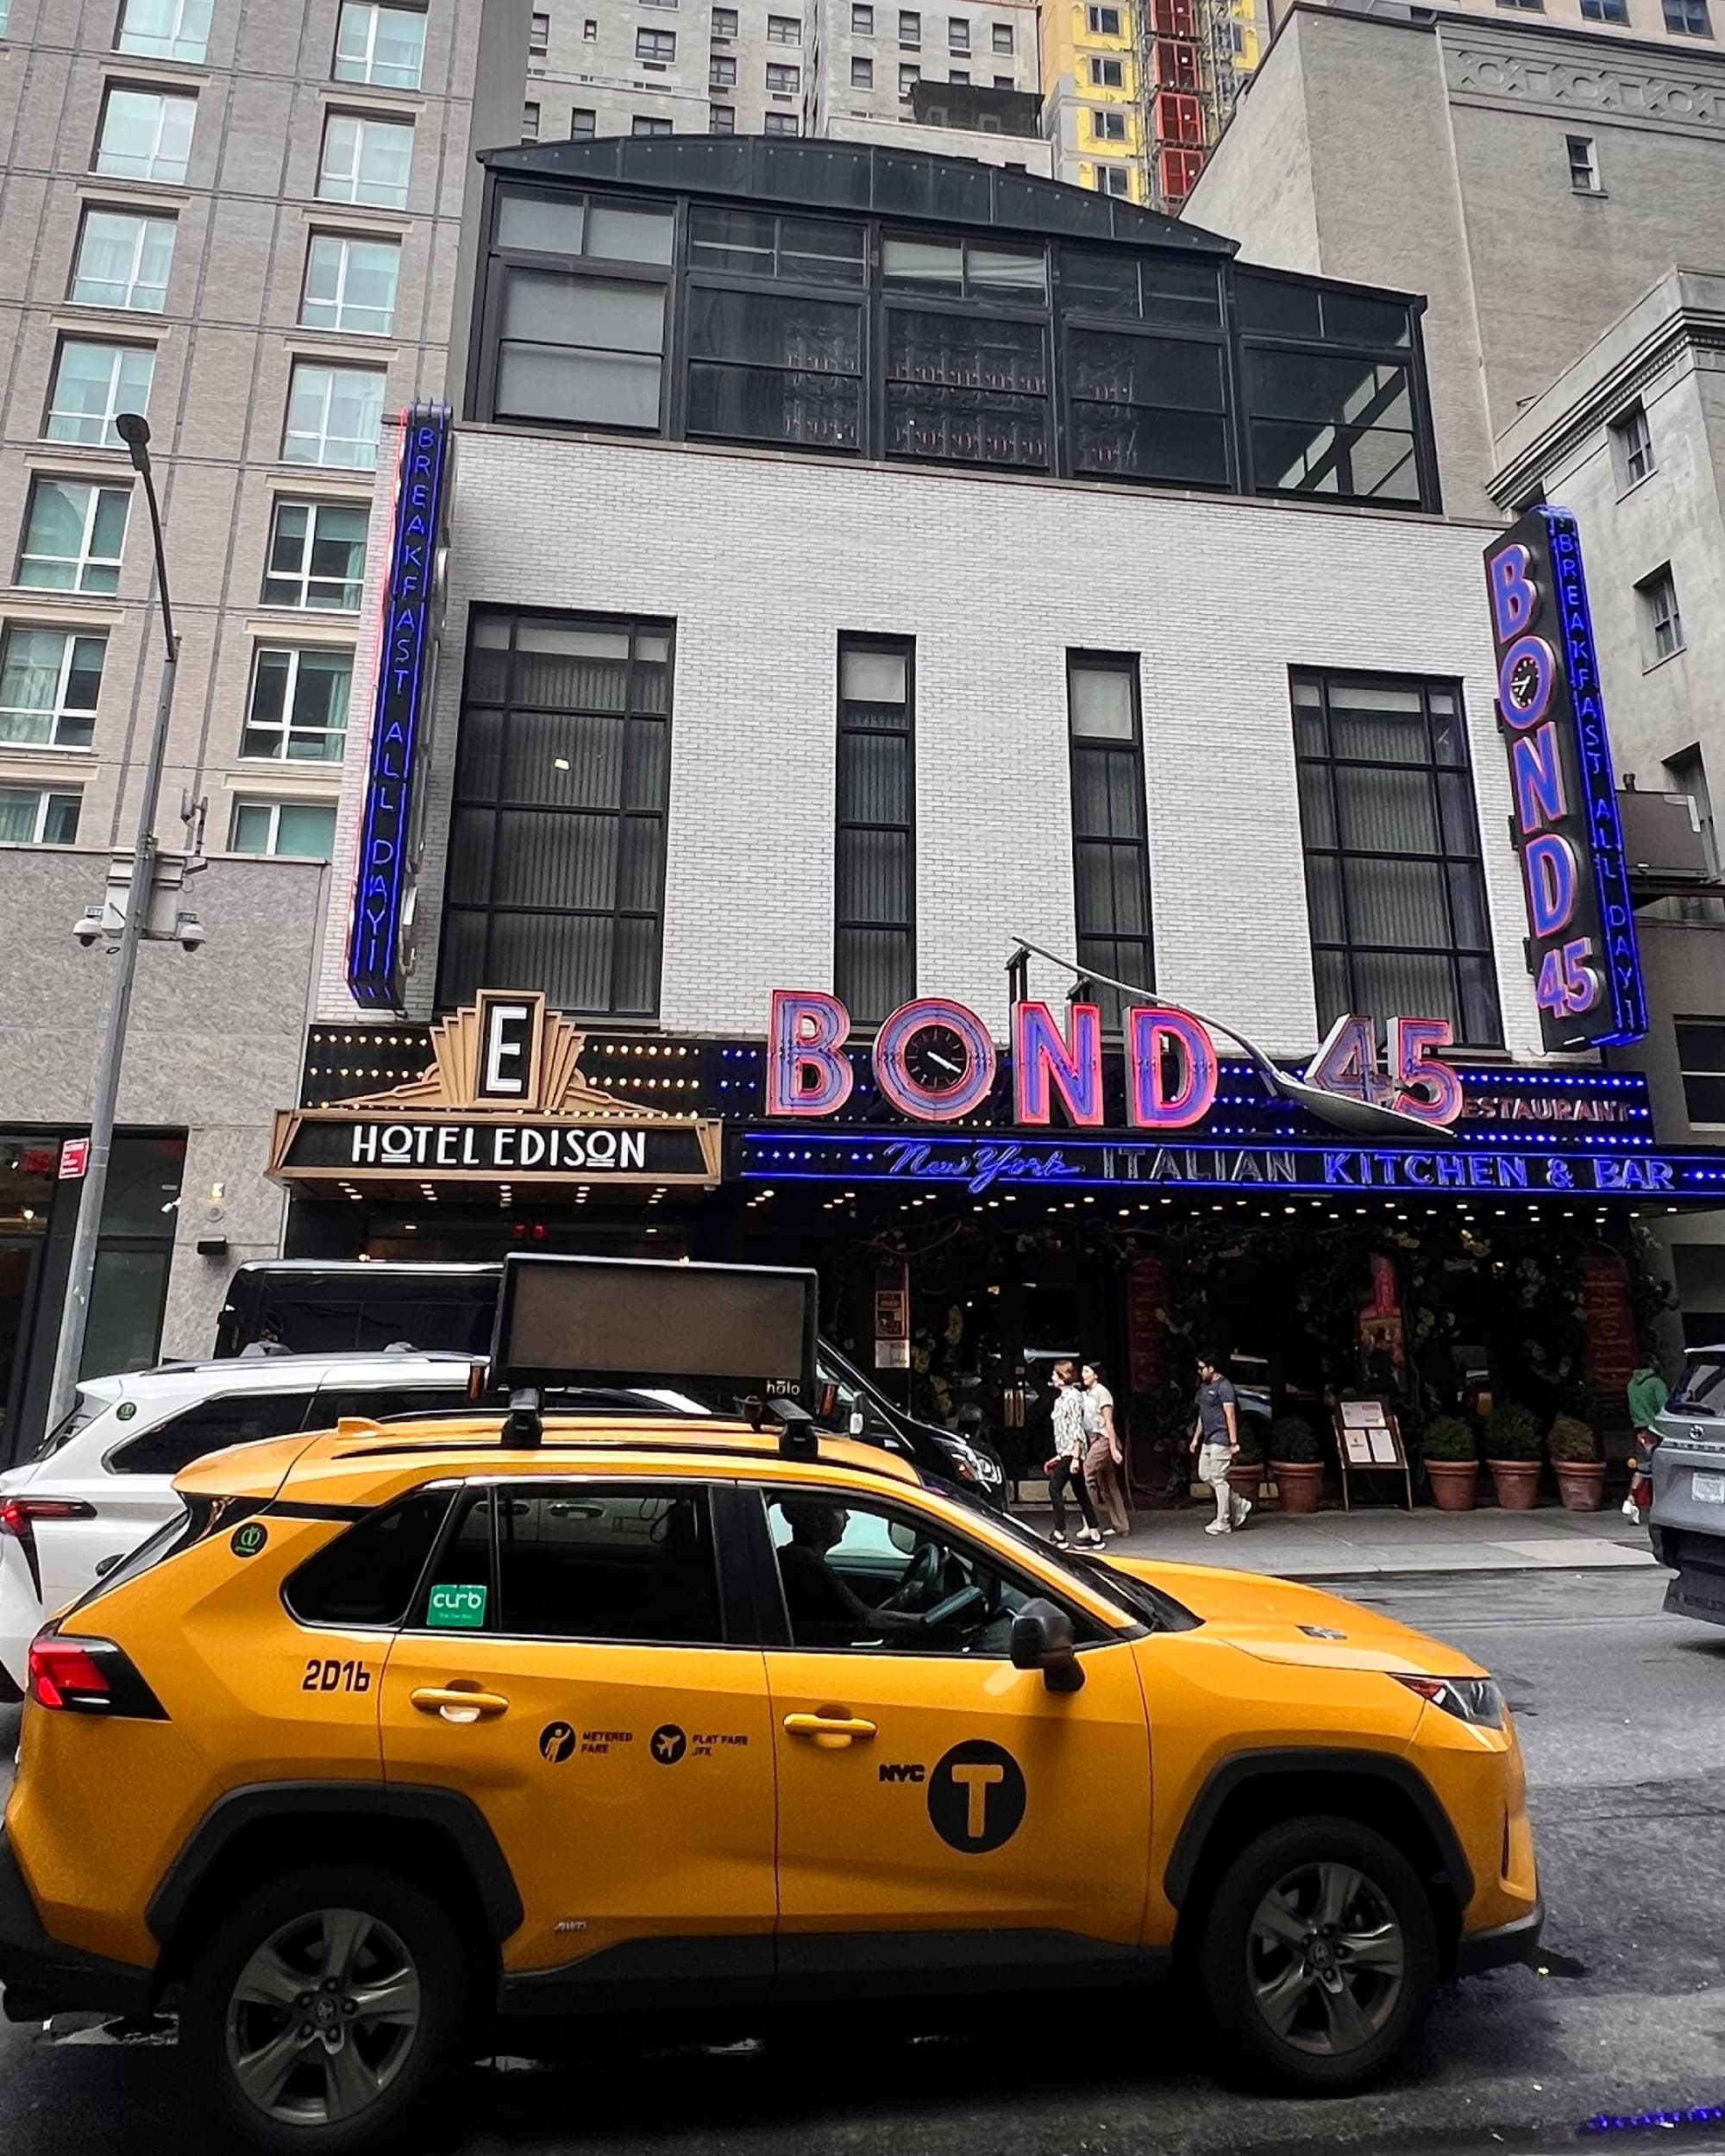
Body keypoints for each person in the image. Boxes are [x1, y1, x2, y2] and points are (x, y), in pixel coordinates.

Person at [775, 1501, 927, 1646]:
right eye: (841, 1510)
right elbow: (866, 1622)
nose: (848, 1517)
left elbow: (858, 1615)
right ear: (819, 1519)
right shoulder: (807, 1565)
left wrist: (897, 1600)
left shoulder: (798, 1559)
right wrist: (928, 1621)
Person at [1190, 1353, 1251, 1536]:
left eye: (1202, 1368)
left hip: (1221, 1437)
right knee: (1204, 1474)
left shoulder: (1224, 1387)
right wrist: (1195, 1438)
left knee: (1217, 1478)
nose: (1200, 1372)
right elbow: (1203, 1415)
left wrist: (1233, 1442)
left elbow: (1230, 1414)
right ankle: (1239, 1503)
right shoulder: (1203, 1388)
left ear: (1212, 1368)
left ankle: (1223, 1521)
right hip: (1208, 1439)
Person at [1045, 1359, 1103, 1551]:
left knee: (1055, 1487)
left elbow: (1076, 1429)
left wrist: (1075, 1457)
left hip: (1072, 1452)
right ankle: (1095, 1533)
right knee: (1081, 1492)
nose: (1052, 1378)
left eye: (1055, 1374)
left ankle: (1060, 1533)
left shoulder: (1071, 1399)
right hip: (1068, 1452)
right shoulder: (1063, 1399)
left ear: (1062, 1378)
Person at [1081, 1361, 1131, 1538]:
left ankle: (1091, 1516)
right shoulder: (1089, 1393)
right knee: (1108, 1485)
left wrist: (1113, 1449)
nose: (1083, 1375)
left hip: (1103, 1439)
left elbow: (1108, 1423)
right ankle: (1121, 1525)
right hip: (1096, 1439)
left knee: (1088, 1472)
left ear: (1096, 1375)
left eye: (1087, 1371)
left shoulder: (1102, 1392)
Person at [1625, 1358, 1670, 1521]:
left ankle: (1631, 1499)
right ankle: (1661, 1504)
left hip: (1640, 1430)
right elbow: (1664, 1406)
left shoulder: (1632, 1385)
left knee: (1642, 1467)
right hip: (1656, 1429)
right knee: (1661, 1468)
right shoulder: (1656, 1384)